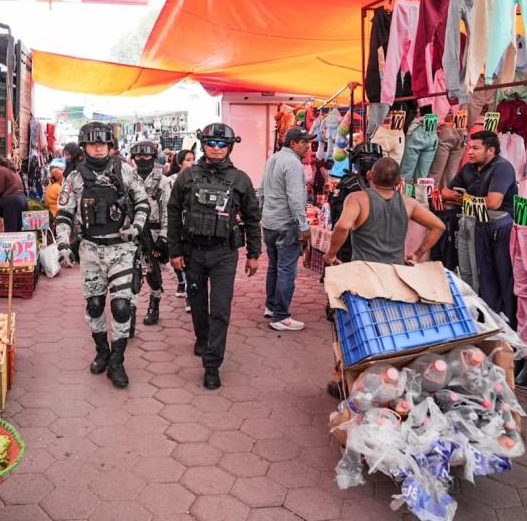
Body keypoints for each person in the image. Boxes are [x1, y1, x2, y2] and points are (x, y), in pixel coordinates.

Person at [55, 122, 150, 389]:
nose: (98, 148)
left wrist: (137, 227)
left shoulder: (126, 171)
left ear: (110, 146)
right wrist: (63, 245)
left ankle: (117, 360)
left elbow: (142, 202)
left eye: (103, 143)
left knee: (121, 306)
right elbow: (63, 215)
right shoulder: (74, 178)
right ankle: (102, 351)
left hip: (121, 249)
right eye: (92, 143)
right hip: (91, 250)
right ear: (84, 146)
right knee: (95, 305)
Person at [168, 123, 261, 390]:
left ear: (230, 147)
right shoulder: (186, 177)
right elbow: (173, 213)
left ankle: (212, 364)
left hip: (224, 255)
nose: (216, 148)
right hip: (192, 253)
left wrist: (254, 254)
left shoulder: (240, 179)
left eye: (222, 144)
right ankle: (202, 338)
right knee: (197, 304)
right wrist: (174, 251)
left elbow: (253, 219)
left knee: (220, 309)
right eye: (211, 143)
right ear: (203, 145)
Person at [441, 130, 518, 328]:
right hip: (470, 221)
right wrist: (463, 198)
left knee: (494, 275)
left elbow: (493, 203)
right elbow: (445, 192)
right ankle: (475, 319)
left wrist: (462, 197)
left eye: (475, 148)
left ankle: (501, 321)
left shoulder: (502, 168)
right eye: (469, 148)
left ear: (491, 150)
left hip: (497, 226)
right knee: (468, 273)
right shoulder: (468, 168)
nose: (470, 152)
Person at [324, 157, 446, 266]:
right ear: (398, 182)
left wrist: (331, 254)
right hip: (395, 273)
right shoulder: (408, 203)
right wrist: (417, 254)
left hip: (364, 273)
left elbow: (343, 226)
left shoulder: (357, 199)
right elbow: (438, 226)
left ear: (369, 175)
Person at [260, 127, 312, 332]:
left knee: (275, 267)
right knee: (286, 270)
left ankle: (271, 307)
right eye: (303, 142)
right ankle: (281, 316)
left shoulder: (273, 159)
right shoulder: (293, 163)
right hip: (286, 224)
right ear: (292, 143)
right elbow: (295, 198)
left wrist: (261, 215)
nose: (308, 146)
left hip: (270, 223)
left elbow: (262, 189)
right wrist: (304, 225)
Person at [130, 140, 171, 328]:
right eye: (138, 156)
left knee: (152, 273)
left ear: (154, 157)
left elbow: (167, 211)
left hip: (153, 232)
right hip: (131, 232)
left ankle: (154, 304)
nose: (142, 159)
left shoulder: (162, 180)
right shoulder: (127, 177)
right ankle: (129, 312)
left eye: (146, 156)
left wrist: (164, 238)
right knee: (131, 274)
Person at [328, 142, 385, 263]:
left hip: (356, 246)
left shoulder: (348, 184)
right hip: (372, 247)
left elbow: (337, 219)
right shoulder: (388, 186)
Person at [166, 149, 196, 311]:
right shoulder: (171, 180)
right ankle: (182, 283)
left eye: (193, 159)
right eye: (188, 160)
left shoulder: (198, 178)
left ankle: (189, 293)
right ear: (179, 163)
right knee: (177, 256)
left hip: (191, 226)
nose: (192, 163)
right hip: (175, 223)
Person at [0, 156, 28, 232]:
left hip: (12, 202)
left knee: (11, 231)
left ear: (0, 164)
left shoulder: (1, 171)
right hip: (22, 200)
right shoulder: (14, 171)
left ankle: (12, 244)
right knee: (18, 229)